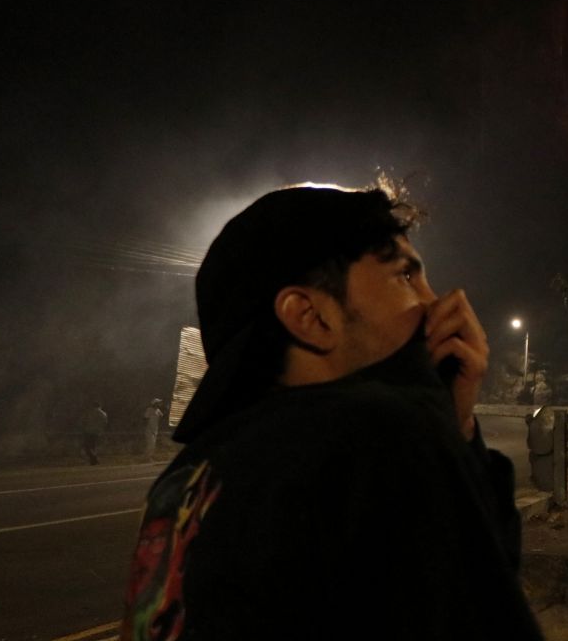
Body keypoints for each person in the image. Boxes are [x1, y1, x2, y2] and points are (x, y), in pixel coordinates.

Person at [120, 185, 542, 640]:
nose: (438, 303)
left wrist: (454, 424)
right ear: (310, 317)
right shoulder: (379, 434)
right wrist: (437, 430)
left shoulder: (185, 476)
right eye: (405, 277)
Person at [80, 401, 107, 465]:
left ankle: (94, 458)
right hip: (98, 432)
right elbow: (105, 423)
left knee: (87, 446)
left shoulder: (89, 412)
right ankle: (93, 460)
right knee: (93, 446)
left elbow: (83, 420)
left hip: (89, 431)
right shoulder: (103, 414)